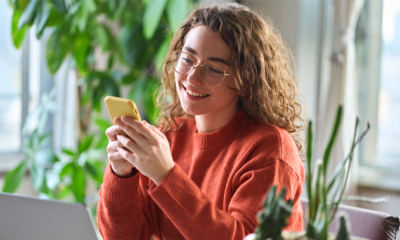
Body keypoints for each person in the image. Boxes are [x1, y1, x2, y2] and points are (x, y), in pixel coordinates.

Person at [97, 3, 306, 240]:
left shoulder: (271, 150)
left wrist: (166, 175)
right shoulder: (170, 135)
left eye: (214, 69)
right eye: (187, 59)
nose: (192, 77)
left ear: (246, 82)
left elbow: (244, 237)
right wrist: (121, 173)